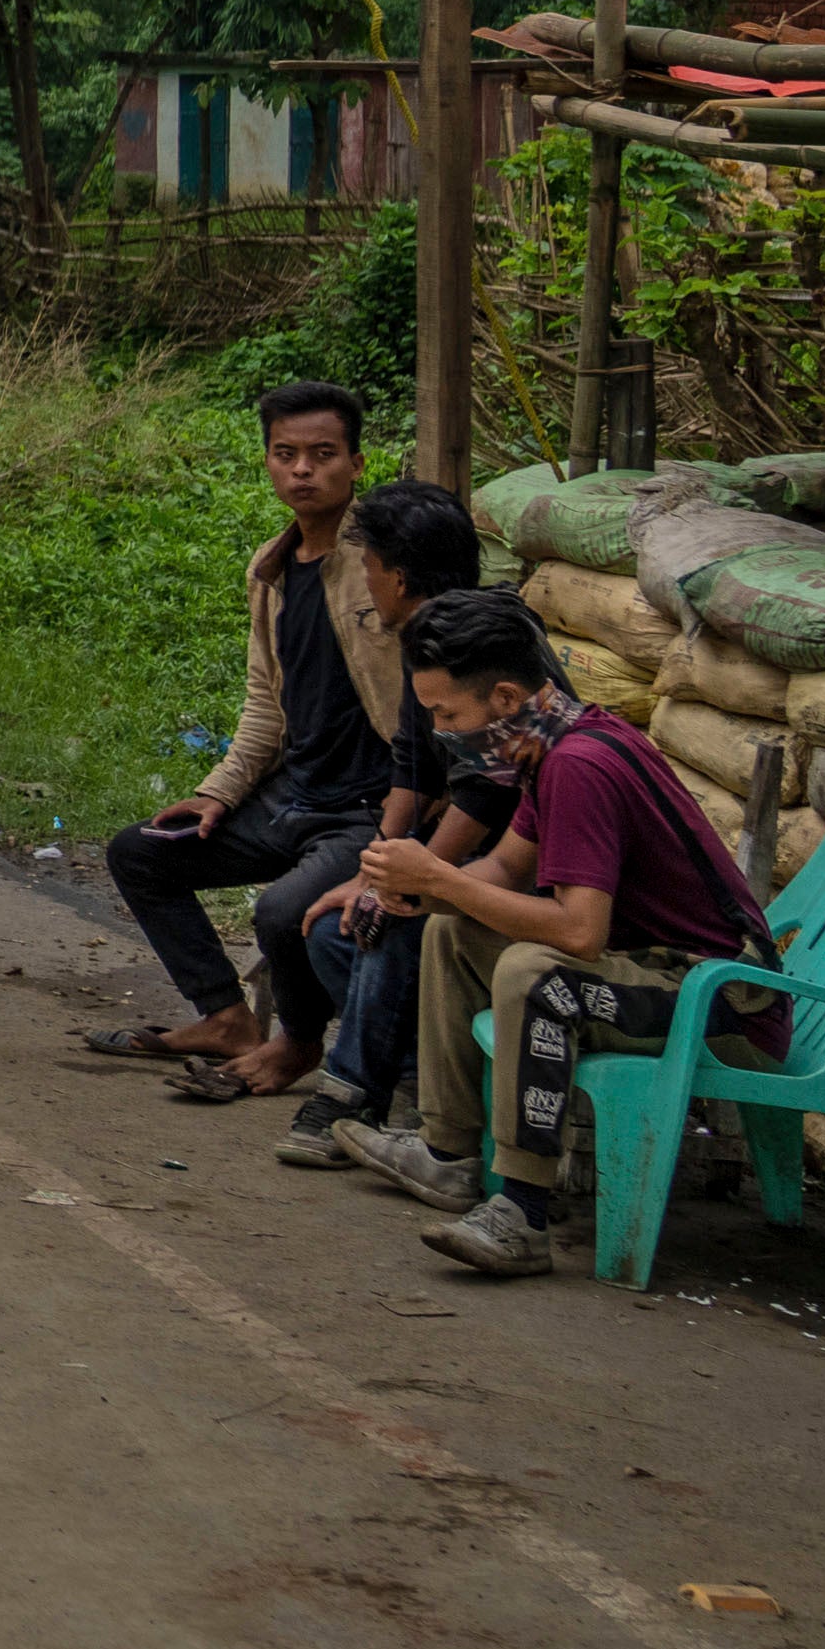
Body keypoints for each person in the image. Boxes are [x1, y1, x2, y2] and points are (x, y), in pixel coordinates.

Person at [324, 586, 784, 1281]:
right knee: (451, 933)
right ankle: (447, 1154)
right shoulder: (552, 744)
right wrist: (422, 890)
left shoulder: (579, 766)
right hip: (650, 966)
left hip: (717, 994)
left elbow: (578, 933)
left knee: (533, 975)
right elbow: (507, 866)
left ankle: (521, 1213)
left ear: (505, 700)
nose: (443, 731)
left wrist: (444, 881)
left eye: (448, 714)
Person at [80, 383, 399, 1103]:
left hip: (367, 810)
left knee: (283, 912)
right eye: (286, 455)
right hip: (293, 797)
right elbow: (266, 705)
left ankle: (298, 1045)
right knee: (141, 852)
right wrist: (218, 793)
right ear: (266, 462)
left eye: (323, 455)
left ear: (356, 462)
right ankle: (225, 1018)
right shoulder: (272, 568)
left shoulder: (380, 566)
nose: (303, 472)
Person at [273, 479, 525, 1168]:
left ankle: (349, 1095)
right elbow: (410, 778)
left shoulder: (470, 644)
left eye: (370, 568)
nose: (367, 583)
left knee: (393, 919)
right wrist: (370, 871)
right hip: (475, 857)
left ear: (399, 575)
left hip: (520, 863)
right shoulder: (422, 640)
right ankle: (407, 1082)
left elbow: (487, 791)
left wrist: (404, 884)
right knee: (333, 927)